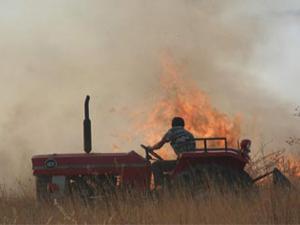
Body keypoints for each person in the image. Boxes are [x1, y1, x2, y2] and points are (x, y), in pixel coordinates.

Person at [148, 117, 196, 188]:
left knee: (156, 165)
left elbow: (160, 144)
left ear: (172, 125)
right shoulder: (189, 134)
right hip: (190, 162)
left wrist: (151, 148)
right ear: (183, 125)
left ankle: (160, 187)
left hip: (180, 162)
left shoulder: (172, 131)